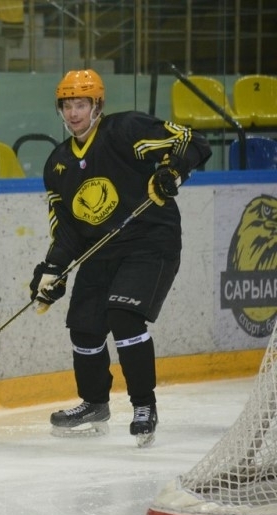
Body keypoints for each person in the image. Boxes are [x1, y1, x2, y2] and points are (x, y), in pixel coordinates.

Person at [29, 69, 211, 447]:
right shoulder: (58, 164)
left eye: (81, 104)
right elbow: (67, 231)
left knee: (124, 315)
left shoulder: (125, 130)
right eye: (67, 105)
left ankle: (144, 405)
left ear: (97, 105)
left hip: (150, 242)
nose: (73, 113)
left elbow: (192, 141)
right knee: (84, 325)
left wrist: (173, 171)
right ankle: (95, 403)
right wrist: (52, 270)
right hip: (102, 250)